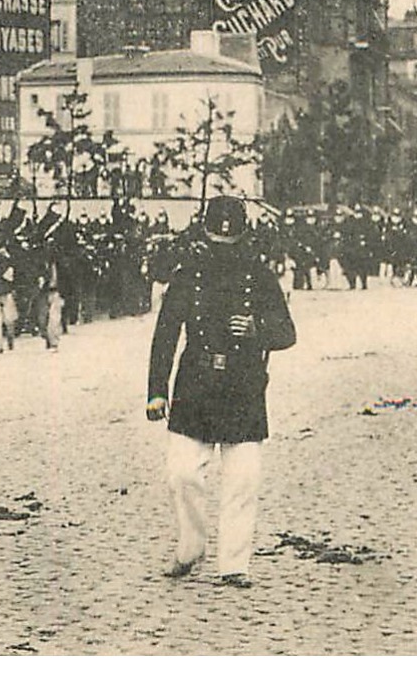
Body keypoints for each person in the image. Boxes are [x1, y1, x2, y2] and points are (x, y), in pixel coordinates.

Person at [146, 196, 297, 586]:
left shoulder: (259, 275)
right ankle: (190, 547)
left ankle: (234, 564)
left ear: (243, 236)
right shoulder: (187, 274)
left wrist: (257, 329)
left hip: (243, 385)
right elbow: (165, 334)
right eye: (216, 241)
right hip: (195, 383)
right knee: (181, 474)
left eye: (230, 243)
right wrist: (156, 390)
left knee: (242, 479)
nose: (223, 250)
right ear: (204, 233)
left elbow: (287, 332)